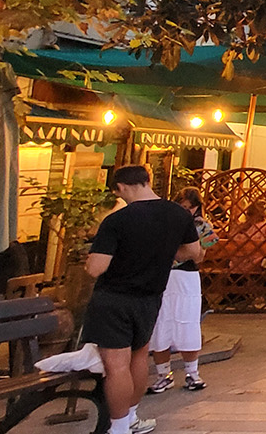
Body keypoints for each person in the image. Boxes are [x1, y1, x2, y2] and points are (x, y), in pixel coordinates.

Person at [84, 166, 202, 434]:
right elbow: (194, 252)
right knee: (139, 358)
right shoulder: (178, 214)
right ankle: (132, 417)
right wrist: (168, 256)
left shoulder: (117, 220)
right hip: (150, 298)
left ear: (121, 188)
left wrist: (89, 262)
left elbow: (96, 268)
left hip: (113, 299)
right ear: (147, 181)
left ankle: (118, 427)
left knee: (116, 367)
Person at [147, 188, 217, 394]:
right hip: (163, 275)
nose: (186, 210)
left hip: (186, 277)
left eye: (190, 207)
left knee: (187, 322)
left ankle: (192, 373)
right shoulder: (164, 222)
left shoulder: (201, 225)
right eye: (183, 206)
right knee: (161, 323)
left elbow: (199, 255)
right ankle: (164, 374)